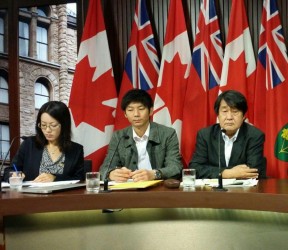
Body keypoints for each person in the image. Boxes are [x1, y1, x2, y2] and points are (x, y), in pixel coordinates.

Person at [100, 89, 183, 182]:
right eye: (130, 110)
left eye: (141, 109)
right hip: (129, 190)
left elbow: (175, 167)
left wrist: (154, 174)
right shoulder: (119, 136)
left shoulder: (167, 134)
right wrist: (111, 174)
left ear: (150, 111)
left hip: (158, 190)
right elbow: (104, 169)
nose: (136, 114)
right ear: (125, 114)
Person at [189, 90, 266, 179]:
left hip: (244, 191)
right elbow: (195, 168)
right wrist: (227, 173)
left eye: (235, 111)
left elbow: (253, 170)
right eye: (225, 111)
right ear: (218, 115)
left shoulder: (254, 135)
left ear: (243, 116)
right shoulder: (205, 135)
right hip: (213, 191)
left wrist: (212, 171)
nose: (229, 117)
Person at [4, 101, 84, 182]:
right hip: (31, 194)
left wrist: (55, 178)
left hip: (63, 194)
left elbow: (79, 179)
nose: (47, 130)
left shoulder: (76, 150)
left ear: (64, 125)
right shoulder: (29, 144)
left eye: (53, 125)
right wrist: (14, 175)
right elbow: (9, 171)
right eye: (43, 125)